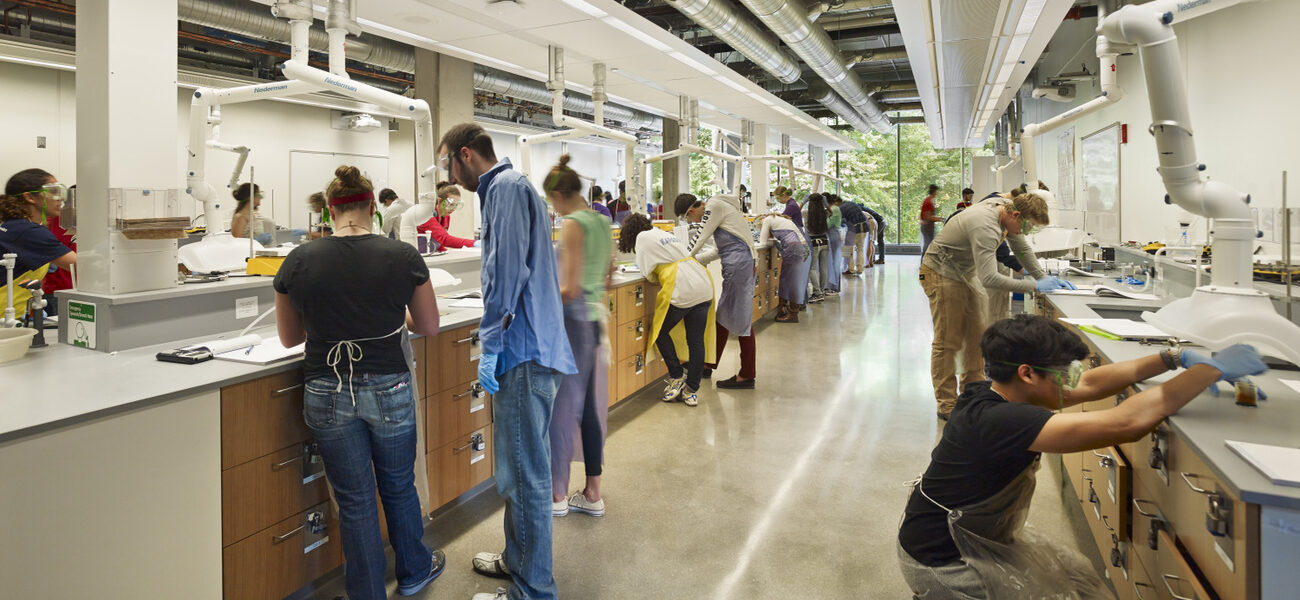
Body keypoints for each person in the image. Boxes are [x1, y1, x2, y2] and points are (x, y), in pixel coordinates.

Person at [898, 314, 1268, 599]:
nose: (1072, 381)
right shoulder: (1004, 421)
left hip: (967, 542)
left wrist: (1173, 357)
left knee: (1078, 582)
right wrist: (1210, 370)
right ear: (1027, 373)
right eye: (1064, 374)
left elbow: (1089, 385)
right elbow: (1129, 421)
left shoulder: (993, 392)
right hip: (942, 564)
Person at [273, 165, 445, 600]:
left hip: (326, 389)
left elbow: (290, 337)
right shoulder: (402, 256)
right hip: (389, 386)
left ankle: (367, 592)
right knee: (398, 484)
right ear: (372, 207)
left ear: (328, 211)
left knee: (354, 499)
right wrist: (391, 314)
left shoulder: (298, 260)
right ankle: (413, 572)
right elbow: (428, 325)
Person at [439, 123, 576, 600]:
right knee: (519, 469)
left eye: (448, 167)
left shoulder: (505, 189)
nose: (451, 179)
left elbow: (505, 272)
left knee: (525, 475)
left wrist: (491, 342)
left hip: (525, 353)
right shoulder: (508, 189)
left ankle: (533, 590)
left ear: (465, 155)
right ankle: (519, 562)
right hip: (532, 348)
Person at [921, 192, 1074, 420]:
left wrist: (1042, 276)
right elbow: (990, 279)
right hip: (941, 272)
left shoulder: (1008, 212)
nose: (1025, 233)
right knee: (949, 340)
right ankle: (947, 404)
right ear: (1017, 214)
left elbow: (1022, 250)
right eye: (1028, 227)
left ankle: (973, 397)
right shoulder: (985, 225)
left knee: (977, 336)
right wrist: (1035, 286)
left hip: (965, 272)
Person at [543, 155, 614, 520]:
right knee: (589, 408)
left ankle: (556, 493)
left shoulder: (572, 224)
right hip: (595, 320)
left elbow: (568, 288)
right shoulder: (603, 221)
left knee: (561, 409)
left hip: (573, 321)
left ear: (558, 194)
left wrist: (535, 301)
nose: (553, 209)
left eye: (551, 201)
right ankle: (592, 492)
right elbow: (609, 276)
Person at [620, 213, 715, 407]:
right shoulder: (661, 232)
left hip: (682, 286)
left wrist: (658, 274)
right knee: (696, 341)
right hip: (702, 282)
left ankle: (676, 375)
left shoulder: (642, 238)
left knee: (660, 331)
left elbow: (648, 273)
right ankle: (691, 391)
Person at [687, 192, 757, 389]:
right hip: (739, 265)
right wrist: (692, 260)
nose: (694, 221)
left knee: (742, 321)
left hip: (738, 266)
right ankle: (709, 365)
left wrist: (682, 258)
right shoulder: (723, 209)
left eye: (689, 218)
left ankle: (747, 375)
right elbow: (718, 250)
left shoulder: (714, 206)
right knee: (723, 317)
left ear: (691, 211)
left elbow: (700, 236)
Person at [0, 168, 74, 315]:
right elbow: (82, 265)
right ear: (30, 197)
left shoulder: (15, 226)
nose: (60, 199)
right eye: (53, 192)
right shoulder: (28, 232)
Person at [757, 214, 808, 322]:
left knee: (787, 281)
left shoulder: (767, 220)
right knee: (793, 281)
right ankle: (785, 309)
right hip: (802, 248)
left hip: (793, 249)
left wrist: (764, 229)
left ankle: (791, 313)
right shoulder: (781, 219)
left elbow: (762, 241)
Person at [416, 182, 478, 250]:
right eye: (451, 204)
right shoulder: (427, 216)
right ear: (439, 201)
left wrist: (445, 252)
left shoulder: (446, 216)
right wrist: (475, 243)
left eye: (456, 205)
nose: (453, 209)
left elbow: (439, 241)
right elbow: (445, 239)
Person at [805, 193, 831, 302]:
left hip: (813, 243)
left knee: (812, 268)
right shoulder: (824, 213)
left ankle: (817, 292)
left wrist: (803, 202)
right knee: (823, 268)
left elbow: (795, 212)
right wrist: (825, 204)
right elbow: (831, 211)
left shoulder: (806, 213)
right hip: (825, 241)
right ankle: (821, 290)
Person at [839, 196, 870, 275]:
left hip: (854, 228)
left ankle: (851, 269)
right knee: (860, 249)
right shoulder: (852, 203)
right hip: (864, 227)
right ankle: (860, 269)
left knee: (849, 249)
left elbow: (841, 222)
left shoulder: (841, 208)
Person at [825, 194, 843, 294]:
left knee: (834, 262)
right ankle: (831, 285)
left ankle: (833, 286)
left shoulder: (834, 209)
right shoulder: (833, 208)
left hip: (833, 236)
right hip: (831, 236)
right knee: (830, 262)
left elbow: (828, 224)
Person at [920, 183, 943, 257]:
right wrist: (939, 219)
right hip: (927, 227)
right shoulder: (928, 202)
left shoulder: (928, 201)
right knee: (927, 245)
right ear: (934, 192)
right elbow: (928, 217)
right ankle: (924, 263)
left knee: (929, 245)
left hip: (928, 227)